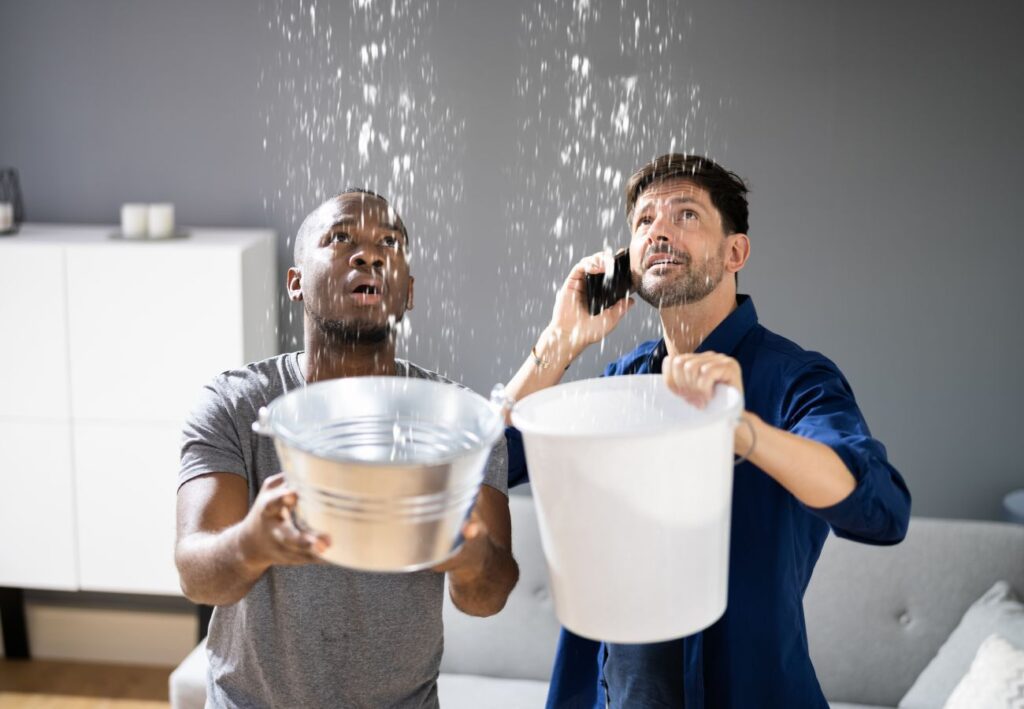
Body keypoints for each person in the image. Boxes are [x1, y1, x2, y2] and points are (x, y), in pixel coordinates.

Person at [504, 154, 911, 708]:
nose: (659, 230)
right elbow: (496, 462)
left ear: (735, 252)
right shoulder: (623, 380)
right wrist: (561, 339)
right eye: (644, 221)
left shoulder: (795, 379)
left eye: (686, 215)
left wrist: (741, 430)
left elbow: (882, 510)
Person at [175, 188, 519, 708]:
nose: (370, 253)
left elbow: (487, 598)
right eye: (339, 238)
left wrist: (469, 557)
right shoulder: (236, 404)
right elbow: (196, 575)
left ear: (408, 291)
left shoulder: (458, 420)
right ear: (295, 283)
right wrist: (252, 542)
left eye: (389, 242)